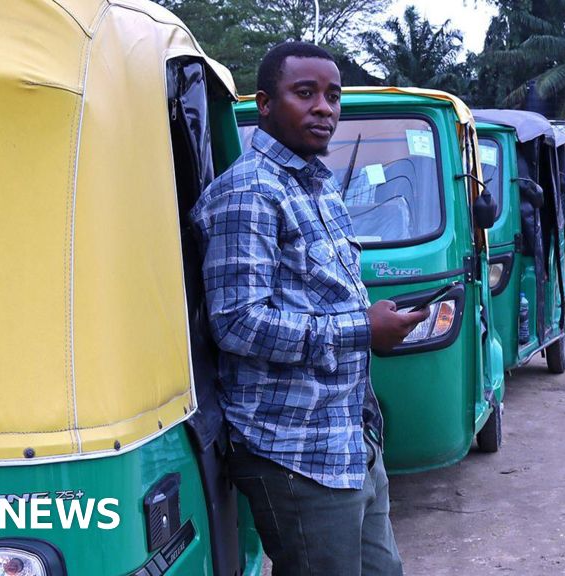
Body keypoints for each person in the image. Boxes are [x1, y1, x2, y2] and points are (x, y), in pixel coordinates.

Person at [191, 42, 429, 575]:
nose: (324, 108)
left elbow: (320, 294)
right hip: (293, 450)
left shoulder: (316, 185)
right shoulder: (249, 192)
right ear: (266, 103)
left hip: (349, 436)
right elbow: (238, 323)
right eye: (305, 93)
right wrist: (362, 330)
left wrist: (371, 318)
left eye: (333, 96)